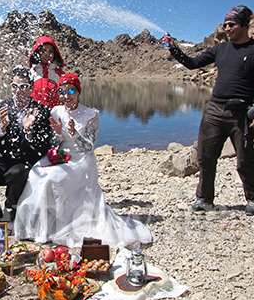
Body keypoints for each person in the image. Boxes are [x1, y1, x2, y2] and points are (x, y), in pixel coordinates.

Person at [14, 73, 152, 248]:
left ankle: (60, 225)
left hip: (81, 159)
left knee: (52, 179)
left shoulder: (90, 114)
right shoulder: (56, 111)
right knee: (36, 172)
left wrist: (74, 133)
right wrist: (57, 133)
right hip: (62, 155)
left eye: (71, 90)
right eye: (62, 92)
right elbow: (55, 143)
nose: (66, 96)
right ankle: (40, 226)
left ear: (78, 92)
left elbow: (89, 147)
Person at [167, 5, 254, 215]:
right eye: (225, 24)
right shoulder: (221, 49)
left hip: (241, 111)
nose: (227, 28)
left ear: (244, 25)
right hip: (214, 109)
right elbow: (193, 63)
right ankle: (204, 198)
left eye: (231, 24)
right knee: (206, 155)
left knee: (245, 157)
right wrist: (173, 48)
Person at [0, 66, 54, 222]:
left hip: (24, 163)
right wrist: (1, 128)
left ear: (31, 88)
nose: (18, 91)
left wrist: (28, 131)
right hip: (1, 162)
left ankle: (10, 217)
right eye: (14, 86)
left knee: (15, 174)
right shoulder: (2, 107)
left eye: (23, 87)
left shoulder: (41, 111)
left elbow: (41, 149)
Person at [29, 36, 64, 109]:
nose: (47, 54)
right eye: (44, 51)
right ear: (37, 53)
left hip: (55, 117)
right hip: (34, 117)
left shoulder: (61, 75)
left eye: (51, 51)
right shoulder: (30, 74)